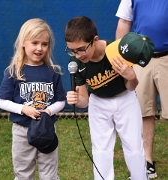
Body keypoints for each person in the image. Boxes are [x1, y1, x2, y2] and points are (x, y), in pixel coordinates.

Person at [64, 16, 153, 180]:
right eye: (72, 50)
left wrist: (131, 76)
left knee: (134, 148)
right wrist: (77, 99)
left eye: (81, 49)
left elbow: (130, 86)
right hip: (98, 102)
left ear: (95, 40)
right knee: (101, 150)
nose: (77, 55)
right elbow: (85, 100)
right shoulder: (76, 62)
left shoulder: (115, 51)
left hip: (125, 98)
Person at [0, 18, 66, 180]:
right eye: (34, 42)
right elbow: (2, 101)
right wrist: (23, 109)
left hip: (47, 129)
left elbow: (61, 101)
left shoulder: (52, 71)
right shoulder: (14, 71)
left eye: (44, 44)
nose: (39, 48)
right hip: (22, 130)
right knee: (23, 174)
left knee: (49, 174)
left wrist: (49, 111)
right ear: (23, 42)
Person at [115, 0, 168, 179]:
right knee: (144, 112)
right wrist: (121, 59)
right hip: (140, 59)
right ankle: (147, 162)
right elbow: (124, 22)